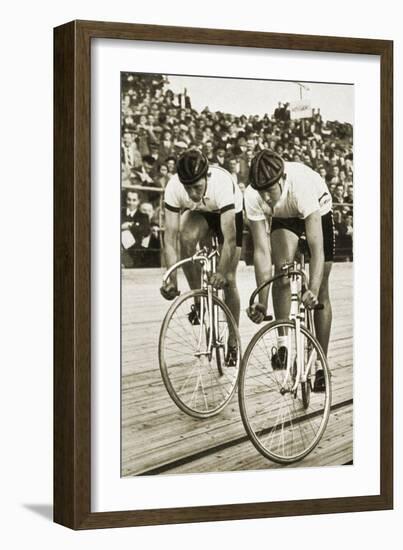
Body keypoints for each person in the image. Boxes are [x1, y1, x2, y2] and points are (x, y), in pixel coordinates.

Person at [244, 149, 334, 391]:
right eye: (260, 192)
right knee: (281, 270)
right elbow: (262, 252)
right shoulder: (253, 195)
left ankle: (320, 365)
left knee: (321, 293)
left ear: (282, 179)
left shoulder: (301, 186)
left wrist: (313, 289)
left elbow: (318, 251)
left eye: (269, 191)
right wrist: (262, 302)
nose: (266, 198)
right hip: (285, 216)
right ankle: (283, 344)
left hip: (317, 208)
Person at [160, 149, 244, 365]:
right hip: (201, 213)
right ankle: (198, 300)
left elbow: (230, 239)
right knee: (185, 238)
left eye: (196, 187)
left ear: (206, 177)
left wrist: (222, 272)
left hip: (228, 214)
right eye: (187, 188)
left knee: (229, 280)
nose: (192, 193)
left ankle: (233, 341)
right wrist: (171, 279)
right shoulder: (173, 187)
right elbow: (169, 238)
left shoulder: (222, 184)